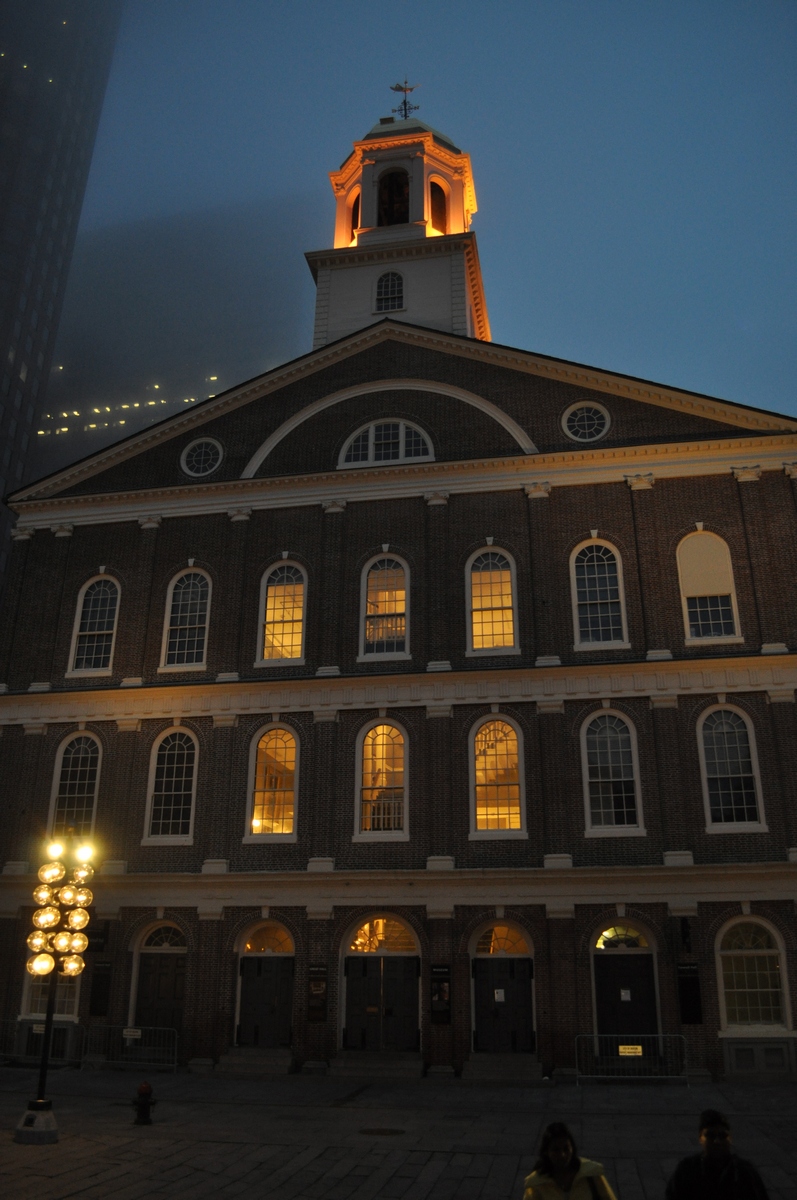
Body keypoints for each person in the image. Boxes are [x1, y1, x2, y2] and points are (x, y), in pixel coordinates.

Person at [665, 1109, 769, 1200]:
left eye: (722, 1135)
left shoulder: (744, 1173)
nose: (717, 1141)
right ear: (700, 1137)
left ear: (730, 1138)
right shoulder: (686, 1171)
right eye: (710, 1135)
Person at [523, 1122, 617, 1199]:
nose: (562, 1155)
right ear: (546, 1152)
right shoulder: (537, 1183)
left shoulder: (591, 1173)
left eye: (566, 1149)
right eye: (556, 1150)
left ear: (572, 1148)